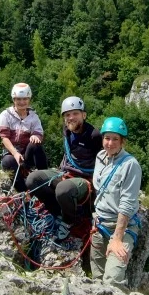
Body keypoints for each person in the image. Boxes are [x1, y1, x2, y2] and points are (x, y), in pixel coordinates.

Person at [27, 96, 102, 240]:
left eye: (75, 113)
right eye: (67, 115)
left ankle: (69, 221)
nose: (71, 117)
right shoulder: (67, 130)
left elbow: (104, 162)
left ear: (84, 115)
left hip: (85, 179)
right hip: (66, 172)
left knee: (63, 189)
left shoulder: (94, 136)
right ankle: (57, 211)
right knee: (33, 180)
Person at [90, 117, 142, 290]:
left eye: (115, 139)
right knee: (97, 278)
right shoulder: (99, 157)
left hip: (122, 228)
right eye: (107, 138)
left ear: (123, 142)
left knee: (112, 281)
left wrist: (118, 239)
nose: (110, 143)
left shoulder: (130, 165)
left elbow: (127, 204)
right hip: (100, 225)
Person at [0, 83, 48, 192]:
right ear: (13, 99)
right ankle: (24, 192)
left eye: (25, 99)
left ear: (29, 99)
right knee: (8, 161)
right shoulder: (5, 115)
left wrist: (35, 135)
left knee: (36, 144)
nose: (21, 102)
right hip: (11, 153)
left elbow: (39, 132)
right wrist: (15, 153)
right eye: (18, 99)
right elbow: (4, 137)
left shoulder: (33, 117)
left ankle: (45, 179)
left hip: (26, 154)